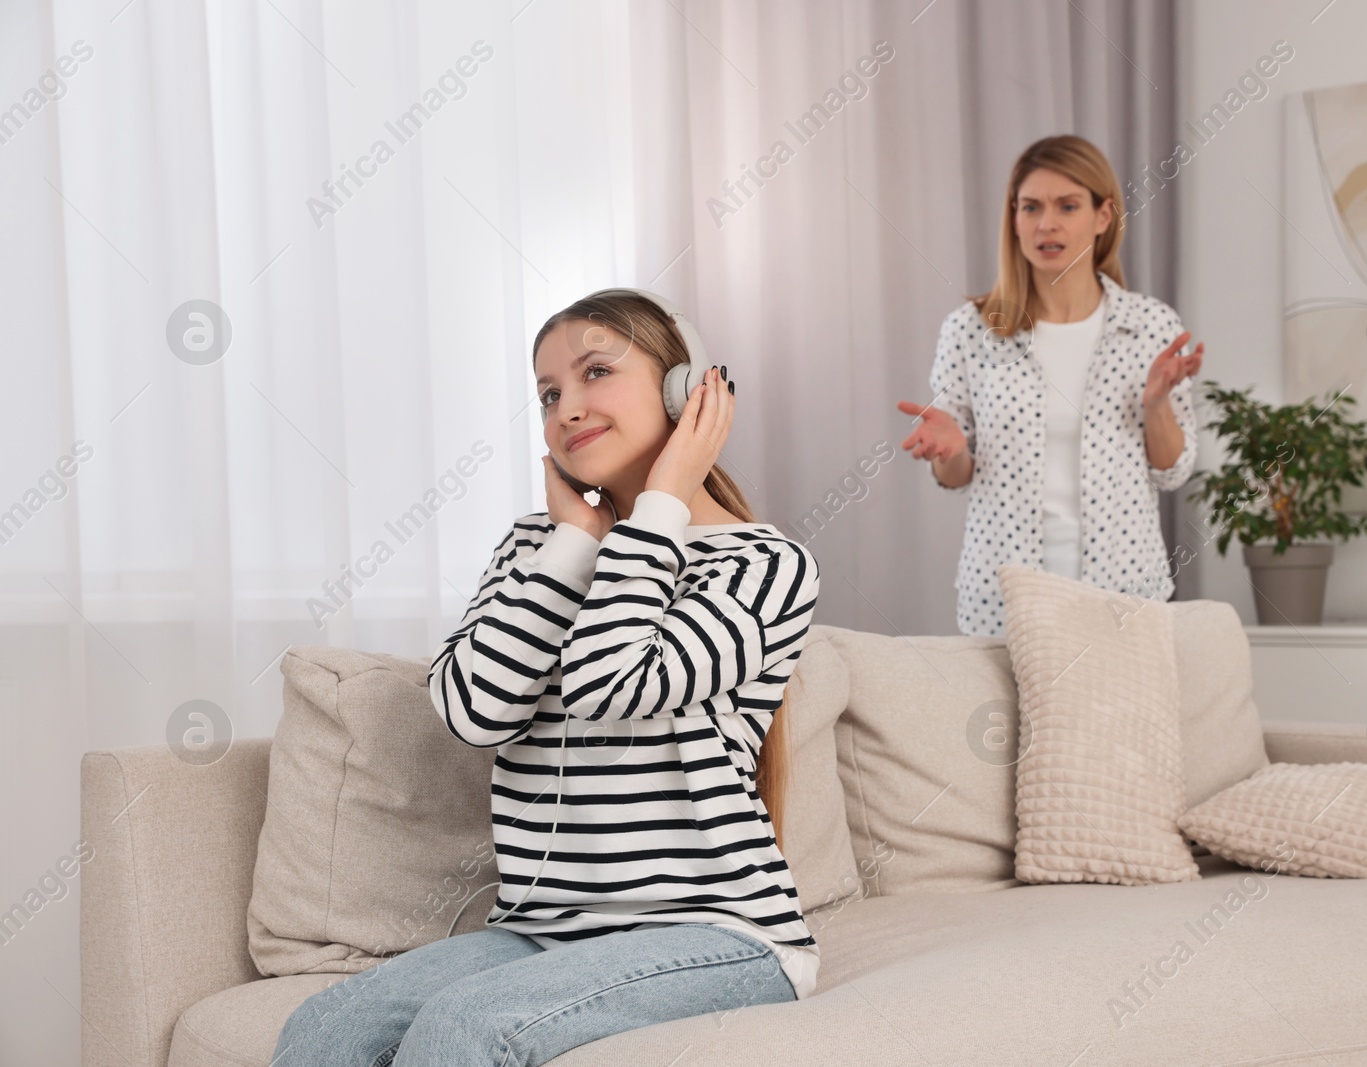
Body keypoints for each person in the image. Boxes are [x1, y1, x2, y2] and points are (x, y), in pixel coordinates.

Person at [271, 290, 821, 1067]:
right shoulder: (538, 547)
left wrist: (661, 504)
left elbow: (613, 681)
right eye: (549, 394)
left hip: (718, 933)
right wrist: (572, 544)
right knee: (323, 1029)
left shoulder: (764, 564)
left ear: (686, 389)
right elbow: (472, 709)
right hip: (545, 927)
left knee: (466, 1026)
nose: (568, 407)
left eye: (598, 372)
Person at [898, 134, 1205, 637]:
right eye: (1031, 207)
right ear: (1013, 218)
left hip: (1125, 595)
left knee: (1122, 720)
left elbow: (1174, 473)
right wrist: (949, 451)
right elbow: (955, 474)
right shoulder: (970, 330)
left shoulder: (1150, 327)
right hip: (1004, 597)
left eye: (1067, 206)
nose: (1047, 223)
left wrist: (1156, 406)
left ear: (1104, 216)